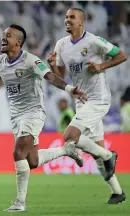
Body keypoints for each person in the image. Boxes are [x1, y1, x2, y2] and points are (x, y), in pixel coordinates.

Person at [0, 24, 86, 212]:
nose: (3, 39)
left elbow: (50, 77)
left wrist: (70, 89)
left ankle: (20, 202)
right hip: (16, 116)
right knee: (32, 161)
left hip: (34, 111)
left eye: (8, 36)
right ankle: (66, 150)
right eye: (3, 36)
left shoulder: (31, 61)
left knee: (18, 151)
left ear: (18, 42)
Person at [48, 8, 127, 204]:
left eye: (72, 17)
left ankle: (110, 155)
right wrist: (52, 65)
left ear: (81, 22)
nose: (67, 20)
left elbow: (122, 55)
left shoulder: (93, 41)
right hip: (81, 101)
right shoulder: (62, 45)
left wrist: (101, 66)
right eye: (66, 17)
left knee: (69, 136)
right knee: (96, 153)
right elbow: (60, 74)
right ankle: (117, 192)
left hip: (99, 99)